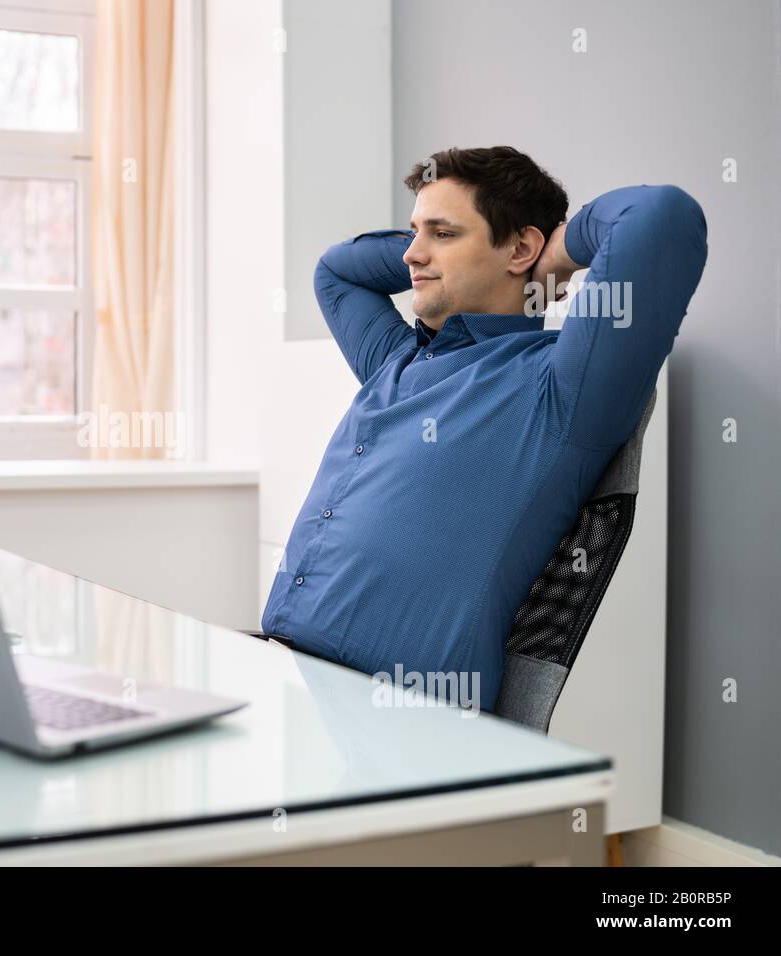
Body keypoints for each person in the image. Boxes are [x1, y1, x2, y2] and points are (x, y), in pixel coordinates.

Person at [260, 145, 708, 712]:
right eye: (415, 235)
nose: (412, 258)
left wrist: (555, 256)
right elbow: (336, 271)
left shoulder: (560, 388)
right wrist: (435, 241)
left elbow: (662, 218)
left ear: (521, 246)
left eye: (443, 234)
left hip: (399, 720)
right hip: (283, 676)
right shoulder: (396, 361)